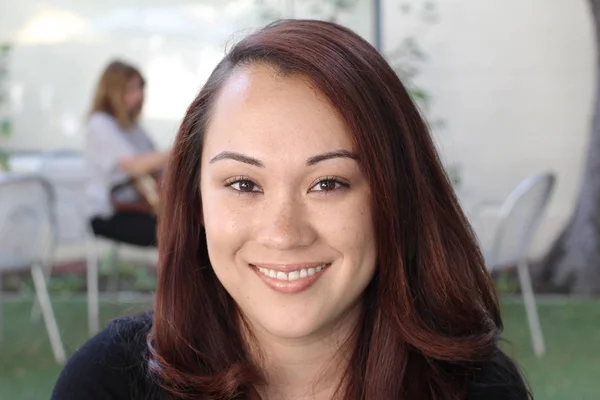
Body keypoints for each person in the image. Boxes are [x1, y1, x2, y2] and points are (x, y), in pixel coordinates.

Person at [52, 20, 530, 399]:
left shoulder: (478, 389)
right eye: (242, 183)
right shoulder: (108, 383)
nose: (283, 233)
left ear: (395, 199)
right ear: (195, 202)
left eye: (328, 183)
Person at [83, 60, 168, 247]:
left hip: (140, 207)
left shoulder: (134, 127)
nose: (139, 95)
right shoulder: (100, 124)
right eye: (131, 89)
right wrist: (177, 151)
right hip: (109, 214)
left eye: (140, 88)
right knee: (175, 233)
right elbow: (134, 165)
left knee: (187, 226)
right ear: (113, 92)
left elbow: (157, 163)